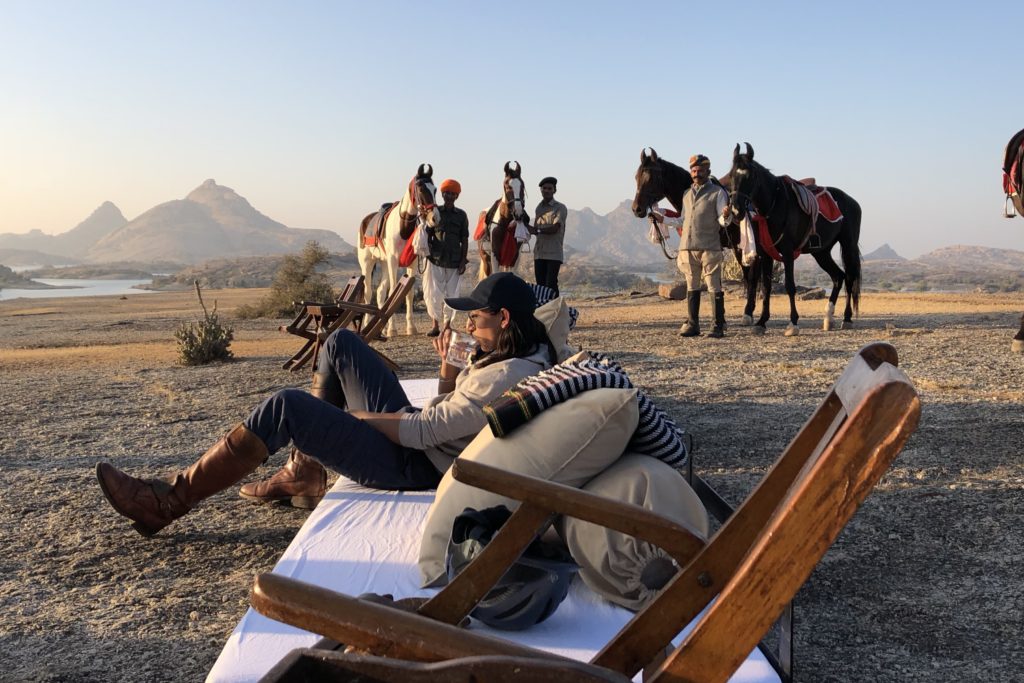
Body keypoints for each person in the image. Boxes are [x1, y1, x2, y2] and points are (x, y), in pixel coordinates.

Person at [95, 273, 556, 537]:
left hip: (416, 465)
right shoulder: (518, 355)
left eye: (474, 316)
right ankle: (304, 471)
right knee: (340, 342)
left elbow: (424, 431)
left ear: (504, 318)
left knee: (288, 408)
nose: (468, 323)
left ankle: (169, 501)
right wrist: (450, 372)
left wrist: (356, 420)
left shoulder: (506, 376)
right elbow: (452, 414)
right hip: (429, 441)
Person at [674, 154, 732, 338]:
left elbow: (723, 221)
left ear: (708, 171)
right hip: (687, 247)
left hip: (709, 247)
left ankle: (717, 326)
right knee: (692, 286)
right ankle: (693, 325)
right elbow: (682, 220)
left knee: (713, 286)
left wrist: (726, 214)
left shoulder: (717, 193)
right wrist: (663, 219)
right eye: (693, 170)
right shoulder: (686, 194)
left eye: (700, 170)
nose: (696, 173)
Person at [423, 178, 469, 337]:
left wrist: (463, 260)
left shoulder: (462, 215)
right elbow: (427, 234)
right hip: (435, 259)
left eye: (452, 194)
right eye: (447, 193)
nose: (449, 196)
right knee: (434, 294)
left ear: (457, 196)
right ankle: (435, 325)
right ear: (442, 194)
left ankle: (448, 325)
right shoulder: (435, 213)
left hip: (455, 261)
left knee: (452, 294)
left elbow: (464, 239)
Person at [528, 176, 567, 296]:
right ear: (541, 190)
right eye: (544, 188)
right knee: (540, 286)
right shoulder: (539, 208)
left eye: (549, 188)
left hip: (553, 253)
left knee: (551, 284)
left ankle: (556, 310)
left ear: (554, 190)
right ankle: (544, 312)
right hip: (539, 253)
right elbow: (535, 229)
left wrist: (537, 231)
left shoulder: (560, 208)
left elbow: (555, 228)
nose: (547, 190)